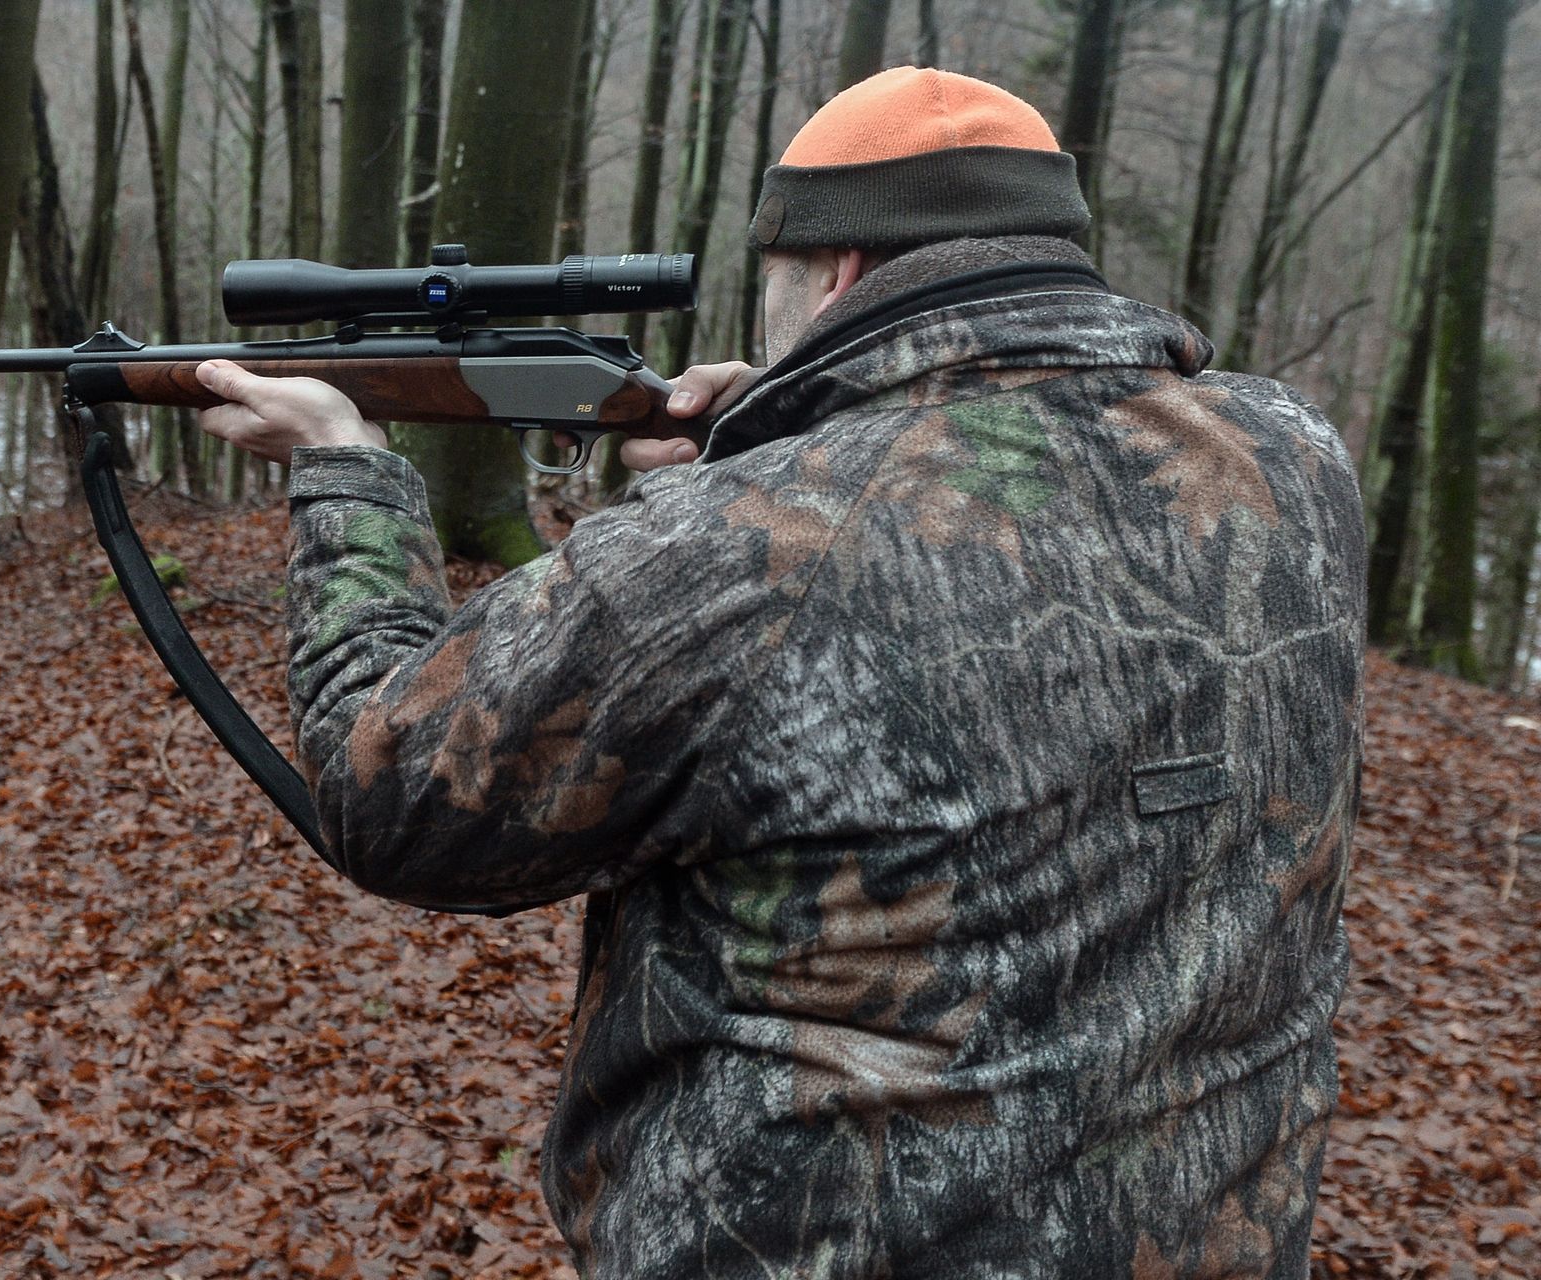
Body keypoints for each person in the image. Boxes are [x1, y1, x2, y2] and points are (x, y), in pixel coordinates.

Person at [193, 67, 1365, 1279]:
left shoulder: (746, 541)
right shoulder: (1294, 457)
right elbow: (993, 489)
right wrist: (797, 421)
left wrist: (346, 468)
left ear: (838, 272)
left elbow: (391, 800)